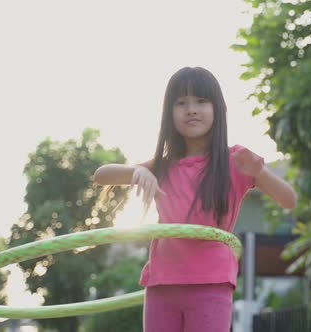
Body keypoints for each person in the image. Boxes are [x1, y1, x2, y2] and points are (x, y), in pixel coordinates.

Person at [93, 66, 297, 332]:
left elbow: (289, 200)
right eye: (181, 103)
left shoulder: (234, 161)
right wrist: (139, 171)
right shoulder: (163, 166)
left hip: (211, 283)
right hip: (162, 284)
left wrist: (259, 173)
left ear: (218, 109)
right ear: (169, 114)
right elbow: (101, 175)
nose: (191, 109)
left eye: (201, 101)